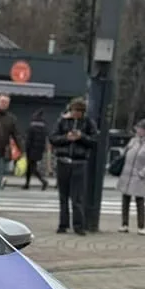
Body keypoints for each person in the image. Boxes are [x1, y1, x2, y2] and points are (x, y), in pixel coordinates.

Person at [49, 97, 97, 235]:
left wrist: (81, 137)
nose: (75, 114)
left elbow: (94, 141)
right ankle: (63, 224)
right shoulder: (62, 121)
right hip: (63, 160)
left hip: (79, 162)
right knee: (63, 195)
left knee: (77, 197)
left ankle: (78, 225)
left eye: (79, 111)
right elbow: (53, 138)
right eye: (74, 110)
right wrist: (66, 138)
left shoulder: (88, 123)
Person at [116, 119, 145, 235]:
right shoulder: (133, 141)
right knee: (125, 199)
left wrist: (142, 173)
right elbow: (125, 153)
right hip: (127, 173)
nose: (138, 131)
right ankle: (124, 224)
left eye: (140, 129)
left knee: (139, 200)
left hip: (139, 176)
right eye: (137, 128)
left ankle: (141, 226)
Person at [23, 108, 49, 190]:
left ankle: (43, 181)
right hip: (39, 149)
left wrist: (25, 150)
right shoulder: (43, 128)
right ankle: (27, 184)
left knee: (32, 167)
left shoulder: (32, 128)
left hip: (31, 150)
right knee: (30, 167)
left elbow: (28, 140)